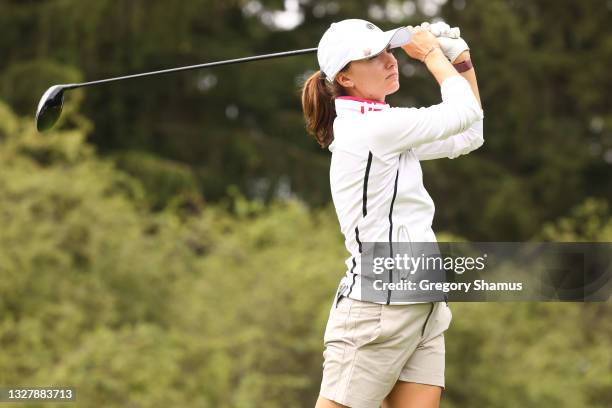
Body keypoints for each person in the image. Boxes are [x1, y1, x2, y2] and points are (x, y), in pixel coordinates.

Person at [301, 19, 484, 408]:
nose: (390, 60)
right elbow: (462, 113)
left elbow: (471, 134)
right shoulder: (370, 128)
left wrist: (462, 63)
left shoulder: (385, 126)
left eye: (388, 50)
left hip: (422, 304)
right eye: (372, 56)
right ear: (345, 78)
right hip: (376, 309)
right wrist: (435, 56)